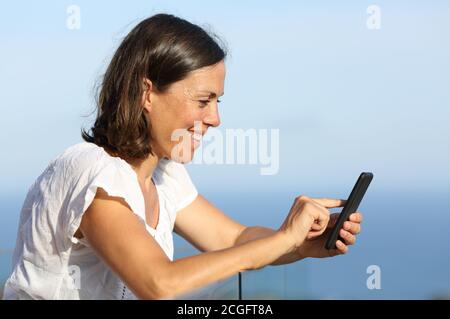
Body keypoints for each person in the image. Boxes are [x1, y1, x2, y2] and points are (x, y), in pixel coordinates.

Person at [2, 13, 363, 300]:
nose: (215, 119)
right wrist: (282, 239)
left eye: (217, 102)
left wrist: (302, 244)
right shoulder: (90, 172)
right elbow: (159, 284)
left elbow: (233, 241)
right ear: (147, 93)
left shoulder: (164, 178)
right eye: (203, 100)